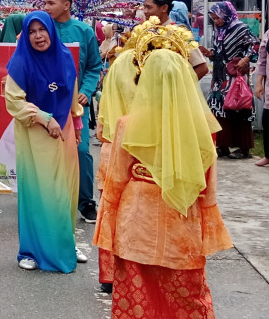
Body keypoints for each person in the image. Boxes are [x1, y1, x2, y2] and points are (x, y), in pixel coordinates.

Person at [94, 47, 232, 319]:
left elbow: (115, 182)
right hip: (181, 221)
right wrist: (206, 226)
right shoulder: (202, 127)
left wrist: (108, 227)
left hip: (135, 223)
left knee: (137, 301)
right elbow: (208, 185)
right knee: (189, 300)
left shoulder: (127, 124)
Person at [5, 11, 85, 272]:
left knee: (66, 190)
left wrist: (76, 122)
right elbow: (14, 102)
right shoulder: (20, 62)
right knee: (39, 191)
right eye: (32, 31)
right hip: (35, 134)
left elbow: (71, 91)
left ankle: (65, 242)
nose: (38, 36)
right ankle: (30, 251)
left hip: (65, 131)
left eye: (42, 30)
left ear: (51, 30)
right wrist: (44, 118)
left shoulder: (64, 57)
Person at [42, 0, 103, 224]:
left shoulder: (84, 31)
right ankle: (49, 200)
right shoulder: (39, 29)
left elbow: (94, 67)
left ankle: (86, 201)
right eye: (44, 3)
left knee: (80, 150)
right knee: (48, 151)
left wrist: (86, 91)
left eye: (51, 3)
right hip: (45, 103)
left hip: (76, 105)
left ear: (66, 5)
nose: (46, 8)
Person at [94, 48, 138, 293]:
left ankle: (111, 274)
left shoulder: (120, 63)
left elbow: (103, 126)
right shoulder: (157, 66)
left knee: (111, 211)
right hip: (142, 149)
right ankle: (132, 273)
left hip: (112, 149)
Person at [201, 1, 259, 159]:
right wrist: (210, 53)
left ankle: (244, 148)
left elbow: (254, 45)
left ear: (226, 14)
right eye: (213, 18)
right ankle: (223, 145)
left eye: (217, 18)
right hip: (219, 77)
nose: (216, 21)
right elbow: (219, 51)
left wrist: (245, 59)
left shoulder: (240, 28)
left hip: (235, 77)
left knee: (239, 108)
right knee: (219, 110)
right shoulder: (218, 30)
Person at [143, 0, 208, 79]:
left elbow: (202, 68)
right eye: (144, 7)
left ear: (164, 8)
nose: (145, 11)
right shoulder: (146, 32)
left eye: (149, 7)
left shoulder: (179, 33)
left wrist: (180, 86)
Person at [255, 27, 269, 166]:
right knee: (267, 120)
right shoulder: (268, 34)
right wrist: (259, 83)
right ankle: (268, 156)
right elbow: (262, 60)